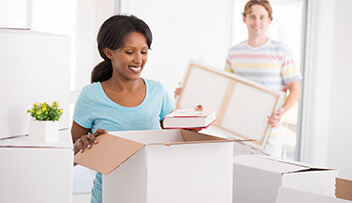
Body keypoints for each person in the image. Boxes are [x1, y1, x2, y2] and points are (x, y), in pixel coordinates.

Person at [71, 15, 175, 203]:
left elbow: (177, 140)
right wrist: (81, 146)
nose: (139, 60)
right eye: (130, 52)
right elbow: (69, 158)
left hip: (154, 194)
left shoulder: (157, 91)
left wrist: (194, 119)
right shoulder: (90, 96)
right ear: (109, 52)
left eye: (144, 51)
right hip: (107, 197)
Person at [225, 0, 302, 158]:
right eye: (252, 16)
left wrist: (282, 111)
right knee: (237, 179)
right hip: (237, 132)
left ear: (269, 20)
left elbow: (295, 89)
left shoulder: (281, 51)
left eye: (262, 17)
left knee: (267, 180)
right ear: (244, 18)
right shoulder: (234, 52)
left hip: (269, 135)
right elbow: (226, 89)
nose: (257, 22)